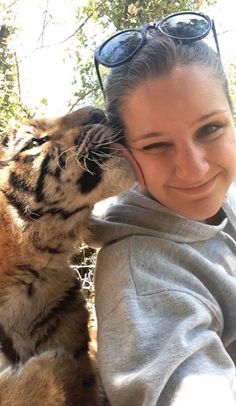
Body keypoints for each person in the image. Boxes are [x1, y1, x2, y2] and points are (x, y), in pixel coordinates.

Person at [92, 11, 236, 405]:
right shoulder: (141, 277)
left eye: (210, 128)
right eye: (156, 145)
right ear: (125, 158)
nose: (195, 168)